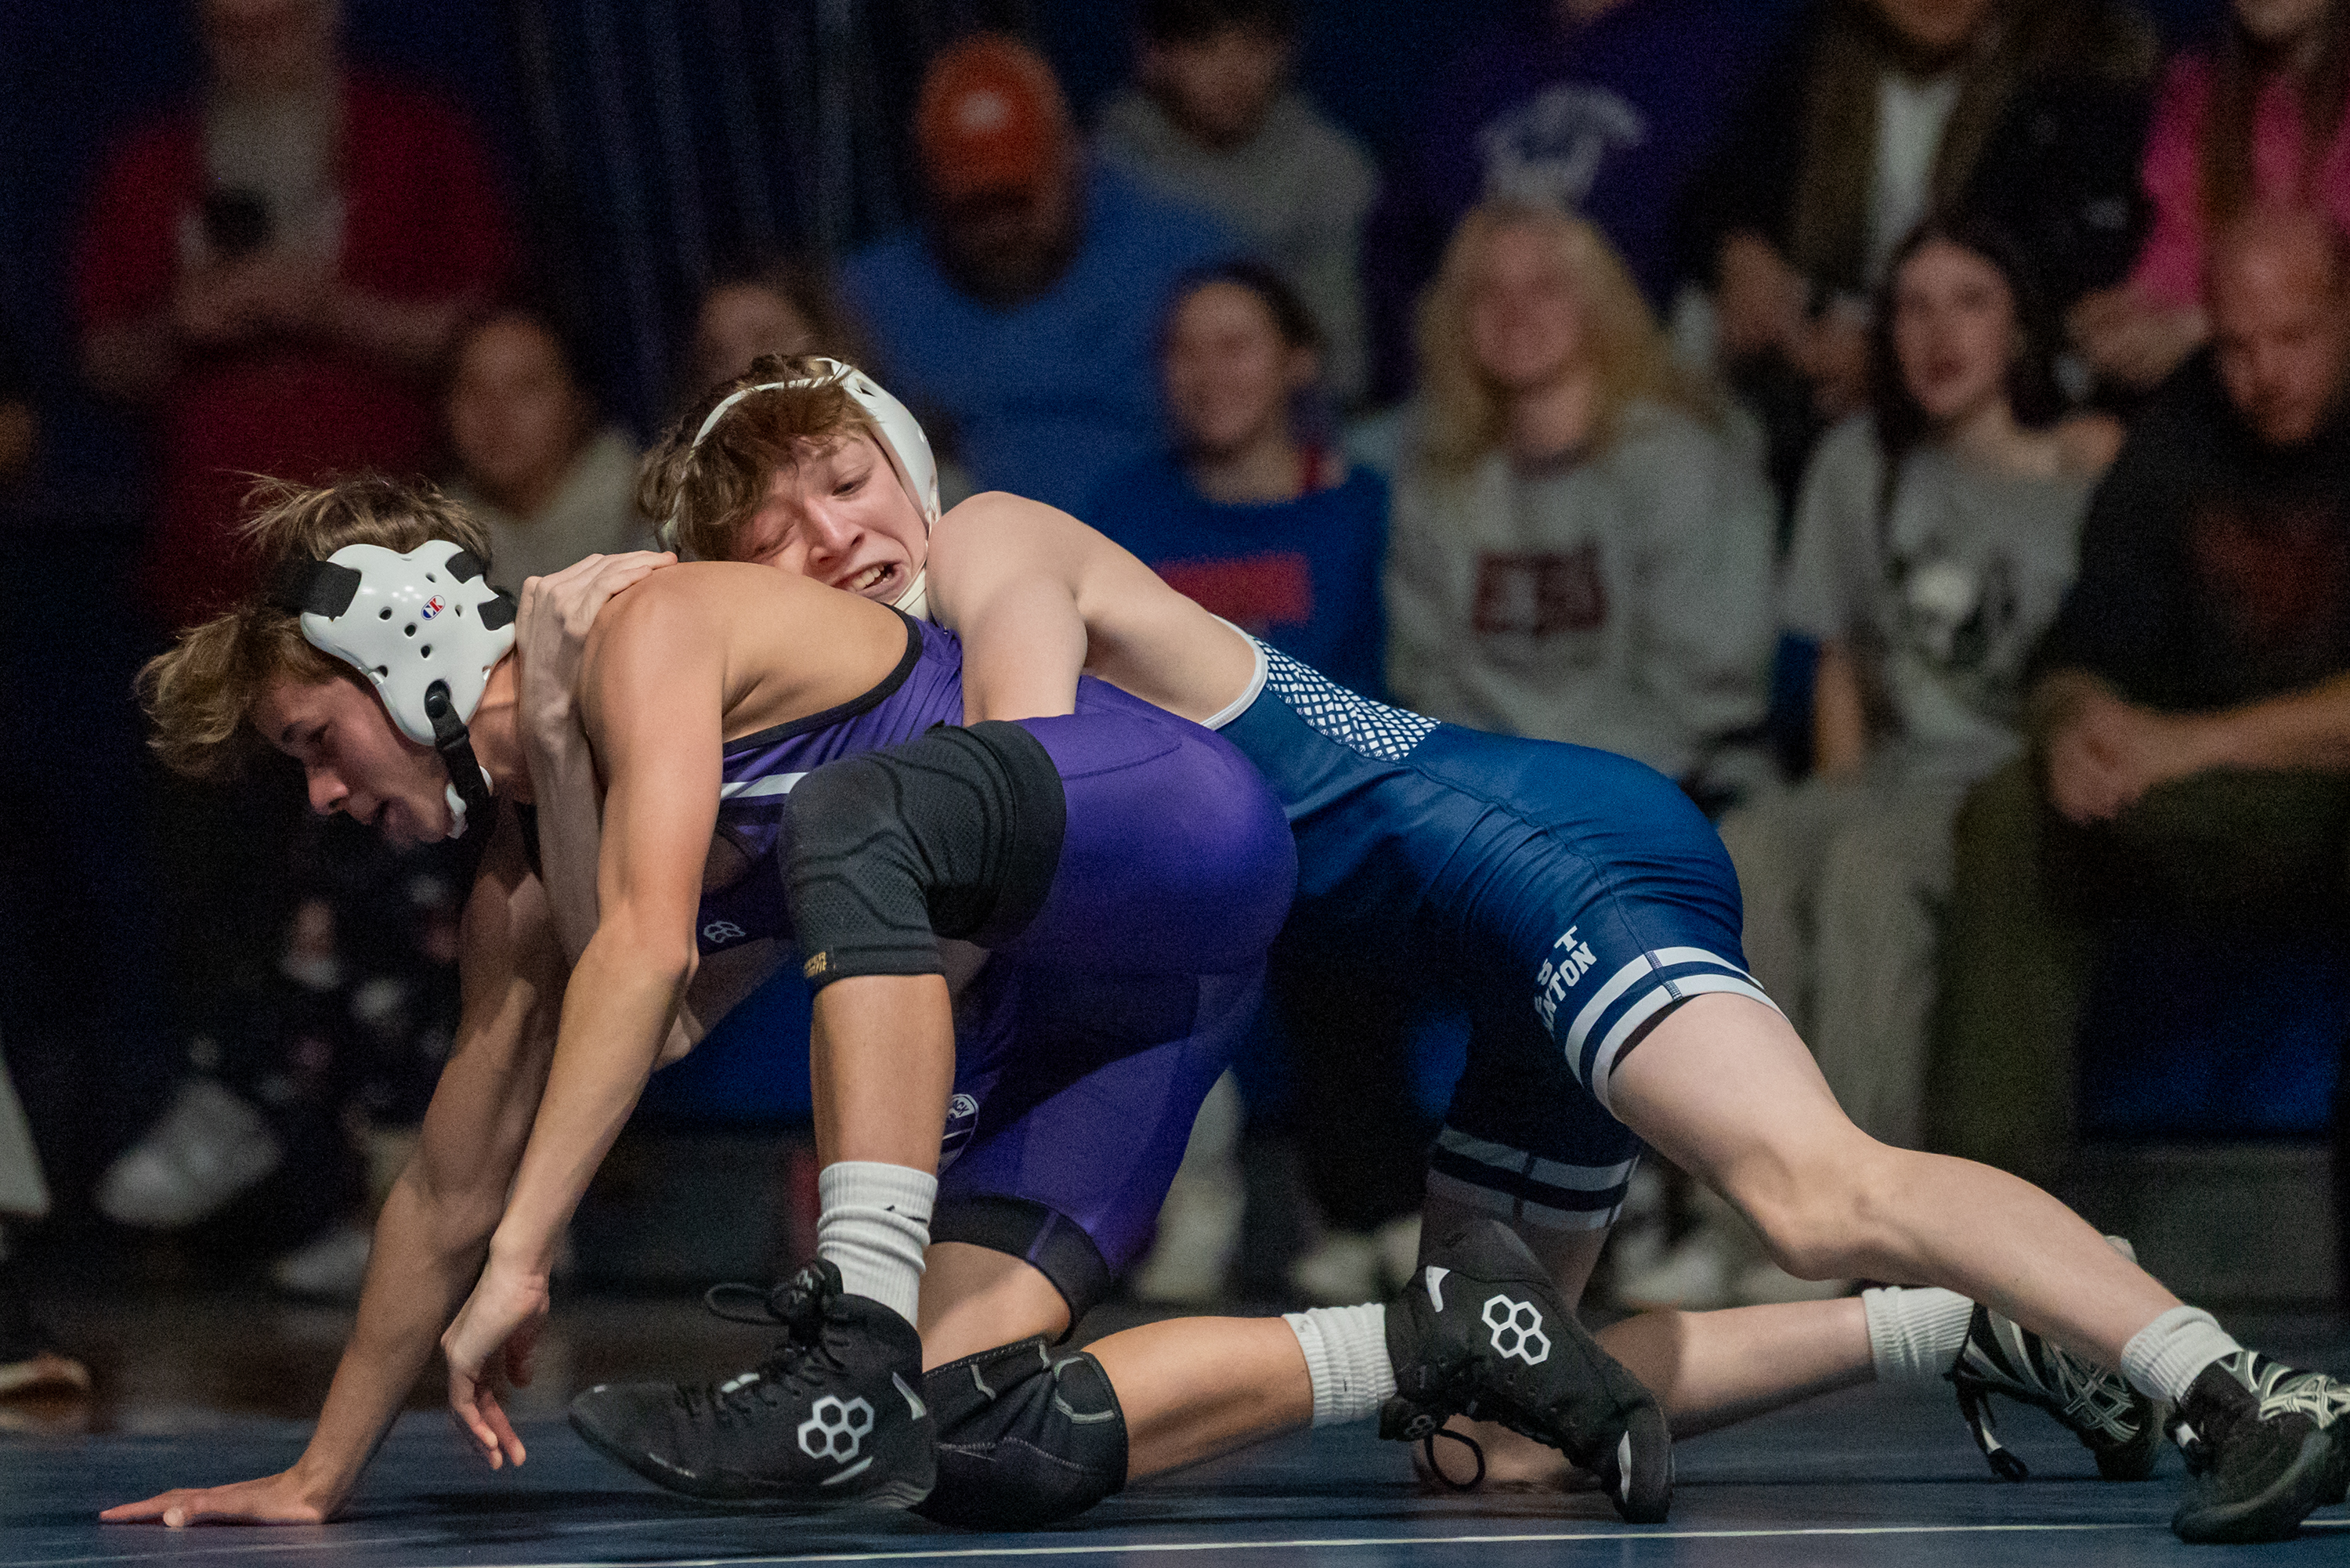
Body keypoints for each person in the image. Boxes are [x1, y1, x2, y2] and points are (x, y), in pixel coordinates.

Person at [666, 356, 2348, 1543]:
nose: (837, 536)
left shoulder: (989, 549)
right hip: (1483, 927)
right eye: (782, 534)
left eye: (849, 478)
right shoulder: (894, 695)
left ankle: (2249, 1383)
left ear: (910, 463)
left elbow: (1029, 824)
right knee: (1492, 1434)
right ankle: (1973, 1326)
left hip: (1538, 855)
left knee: (1814, 1189)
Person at [102, 451, 1666, 1526]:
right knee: (982, 1436)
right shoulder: (525, 879)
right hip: (1132, 995)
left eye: (313, 743)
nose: (317, 797)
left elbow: (648, 950)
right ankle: (1436, 1336)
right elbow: (443, 1181)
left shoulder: (652, 626)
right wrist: (321, 1470)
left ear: (400, 648)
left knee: (850, 822)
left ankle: (843, 1329)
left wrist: (526, 1258)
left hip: (1168, 817)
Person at [1642, 217, 2120, 1311]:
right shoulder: (1859, 461)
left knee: (1864, 869)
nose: (1937, 331)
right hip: (1898, 765)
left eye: (1970, 301)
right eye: (1912, 305)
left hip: (2008, 775)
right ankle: (1733, 1217)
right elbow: (1847, 660)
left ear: (2019, 326)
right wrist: (1840, 782)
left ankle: (1860, 1215)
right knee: (1746, 849)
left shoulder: (2082, 461)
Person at [1933, 204, 2350, 1191]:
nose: (2265, 374)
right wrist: (2074, 722)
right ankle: (1988, 1250)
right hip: (2218, 798)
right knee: (2012, 812)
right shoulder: (2181, 433)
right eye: (2239, 344)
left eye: (2294, 338)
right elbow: (2081, 646)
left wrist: (2183, 745)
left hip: (2315, 783)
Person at [1088, 262, 1409, 1302]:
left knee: (1339, 897)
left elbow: (1390, 687)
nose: (1208, 372)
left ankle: (1374, 1207)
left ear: (1297, 362)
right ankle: (1184, 1205)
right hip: (1166, 810)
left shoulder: (1364, 509)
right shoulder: (1125, 510)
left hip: (1327, 802)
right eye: (1185, 348)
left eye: (1237, 345)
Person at [74, 0, 513, 629]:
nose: (256, 50)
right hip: (212, 568)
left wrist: (335, 310)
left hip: (398, 545)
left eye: (277, 25)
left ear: (325, 17)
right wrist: (180, 325)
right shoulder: (149, 163)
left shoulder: (418, 137)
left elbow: (495, 329)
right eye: (231, 33)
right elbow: (98, 356)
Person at [1385, 201, 1776, 807]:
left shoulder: (1676, 460)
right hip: (1493, 802)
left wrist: (1553, 796)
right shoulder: (1439, 479)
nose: (1516, 311)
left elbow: (1702, 693)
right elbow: (1427, 680)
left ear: (1598, 304)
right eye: (1489, 292)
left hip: (1670, 792)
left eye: (1545, 287)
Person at [1674, 0, 2153, 495]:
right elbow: (1719, 192)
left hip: (1981, 369)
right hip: (1811, 350)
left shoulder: (2078, 73)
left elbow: (2062, 280)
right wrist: (1742, 254)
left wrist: (1891, 352)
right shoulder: (1819, 53)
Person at [841, 34, 1235, 512]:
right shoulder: (870, 299)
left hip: (1172, 548)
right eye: (975, 208)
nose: (1000, 228)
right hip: (971, 563)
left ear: (1071, 162)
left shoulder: (1193, 264)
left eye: (1015, 199)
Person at [1361, 0, 1778, 403]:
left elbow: (1742, 239)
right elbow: (1398, 254)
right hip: (1488, 404)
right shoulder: (1472, 70)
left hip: (1656, 391)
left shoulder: (1716, 55)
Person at [1096, 0, 1379, 407]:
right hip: (1137, 422)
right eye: (1203, 41)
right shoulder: (1105, 172)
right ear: (1153, 56)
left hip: (1282, 426)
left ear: (1288, 49)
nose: (1232, 68)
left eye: (1254, 42)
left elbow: (1343, 365)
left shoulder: (1331, 172)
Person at [2073, 0, 2350, 393]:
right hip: (2220, 381)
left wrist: (2203, 327)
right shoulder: (2196, 88)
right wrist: (2129, 316)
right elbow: (2176, 245)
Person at [443, 307, 649, 592]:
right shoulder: (433, 538)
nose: (495, 413)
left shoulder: (650, 510)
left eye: (525, 388)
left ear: (580, 401)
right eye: (473, 389)